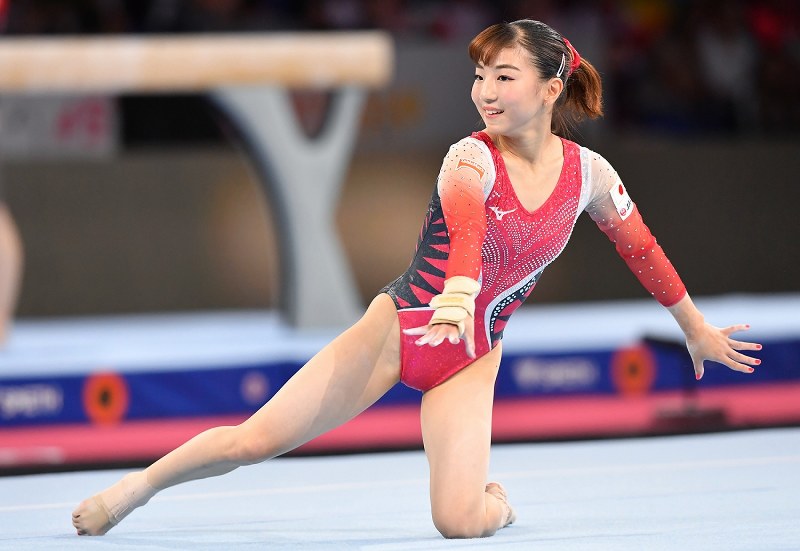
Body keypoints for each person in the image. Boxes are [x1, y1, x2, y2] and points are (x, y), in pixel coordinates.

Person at [72, 19, 762, 539]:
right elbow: (466, 239)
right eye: (480, 76)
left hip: (470, 358)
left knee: (460, 523)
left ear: (552, 89)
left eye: (504, 77)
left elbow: (641, 249)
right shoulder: (468, 158)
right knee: (254, 439)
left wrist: (695, 327)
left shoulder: (591, 176)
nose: (485, 93)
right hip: (401, 331)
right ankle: (137, 488)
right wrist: (456, 301)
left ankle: (499, 501)